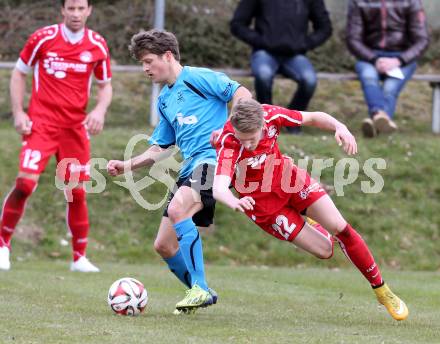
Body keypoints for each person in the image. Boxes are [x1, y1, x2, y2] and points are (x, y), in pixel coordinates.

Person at [213, 98, 408, 321]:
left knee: (341, 228)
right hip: (263, 205)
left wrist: (339, 126)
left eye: (252, 139)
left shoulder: (272, 115)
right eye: (242, 139)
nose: (247, 145)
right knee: (325, 250)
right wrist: (234, 201)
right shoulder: (229, 142)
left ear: (263, 126)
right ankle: (309, 222)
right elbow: (219, 187)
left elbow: (313, 117)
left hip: (288, 178)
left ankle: (382, 291)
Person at [106, 29, 252, 314]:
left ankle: (199, 287)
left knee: (178, 210)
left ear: (168, 56)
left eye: (149, 61)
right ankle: (201, 293)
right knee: (163, 245)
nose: (145, 68)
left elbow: (241, 93)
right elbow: (161, 146)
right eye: (142, 63)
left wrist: (232, 129)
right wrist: (127, 165)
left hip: (214, 161)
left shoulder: (198, 77)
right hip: (190, 167)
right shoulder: (164, 99)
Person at [0, 0, 112, 272]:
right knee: (26, 184)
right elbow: (18, 74)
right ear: (62, 10)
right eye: (70, 9)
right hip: (41, 125)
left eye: (80, 8)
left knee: (76, 192)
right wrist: (18, 112)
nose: (75, 14)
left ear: (89, 11)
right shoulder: (42, 38)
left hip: (74, 130)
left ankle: (79, 258)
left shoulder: (97, 44)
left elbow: (105, 85)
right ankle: (3, 245)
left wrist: (99, 109)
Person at [230, 0, 332, 134]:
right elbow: (237, 24)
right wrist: (261, 41)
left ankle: (292, 121)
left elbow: (325, 27)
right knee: (263, 75)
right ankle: (266, 121)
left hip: (295, 55)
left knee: (309, 80)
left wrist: (305, 44)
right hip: (264, 52)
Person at [346, 0, 429, 137]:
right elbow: (353, 38)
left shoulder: (411, 2)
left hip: (402, 57)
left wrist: (399, 60)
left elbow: (422, 40)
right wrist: (374, 59)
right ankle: (379, 119)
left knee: (390, 87)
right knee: (369, 76)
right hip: (369, 56)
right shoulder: (358, 2)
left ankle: (375, 120)